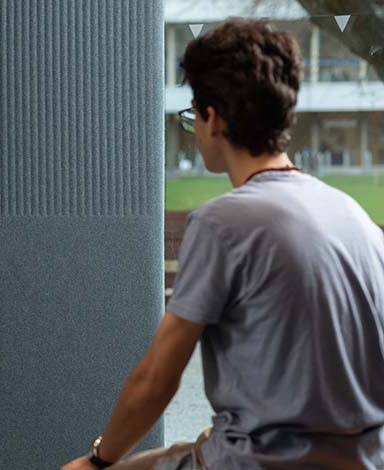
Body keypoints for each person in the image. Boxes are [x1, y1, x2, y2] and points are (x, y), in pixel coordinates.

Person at [63, 18, 384, 470]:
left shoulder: (222, 223)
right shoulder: (355, 218)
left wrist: (96, 461)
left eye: (193, 115)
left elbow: (157, 379)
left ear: (212, 118)